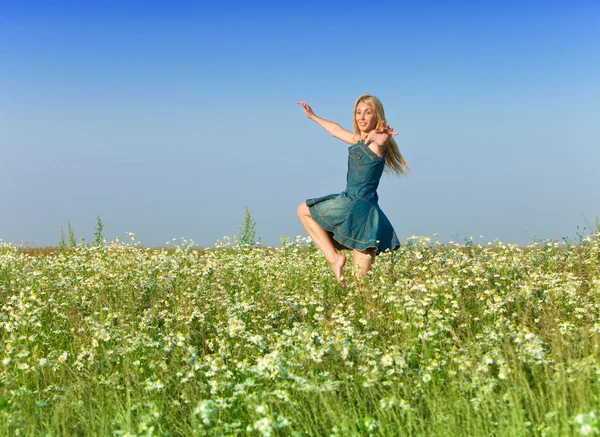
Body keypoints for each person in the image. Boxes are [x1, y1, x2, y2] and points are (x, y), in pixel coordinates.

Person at [296, 94, 408, 287]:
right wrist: (312, 116)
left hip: (360, 209)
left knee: (361, 286)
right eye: (358, 113)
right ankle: (335, 259)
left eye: (367, 113)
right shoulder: (359, 139)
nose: (362, 117)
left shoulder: (378, 142)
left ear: (377, 117)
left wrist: (379, 134)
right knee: (303, 211)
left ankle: (335, 261)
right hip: (351, 204)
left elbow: (380, 140)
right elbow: (335, 130)